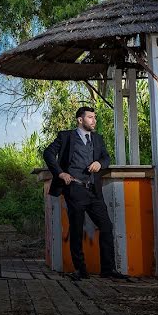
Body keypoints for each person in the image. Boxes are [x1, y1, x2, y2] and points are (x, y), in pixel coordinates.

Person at [43, 106, 128, 281]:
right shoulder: (65, 136)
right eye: (90, 117)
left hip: (94, 191)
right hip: (74, 188)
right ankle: (80, 270)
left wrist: (99, 163)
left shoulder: (98, 139)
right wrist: (60, 173)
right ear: (80, 120)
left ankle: (108, 269)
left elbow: (106, 157)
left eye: (94, 117)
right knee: (76, 230)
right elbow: (48, 153)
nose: (94, 120)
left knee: (106, 227)